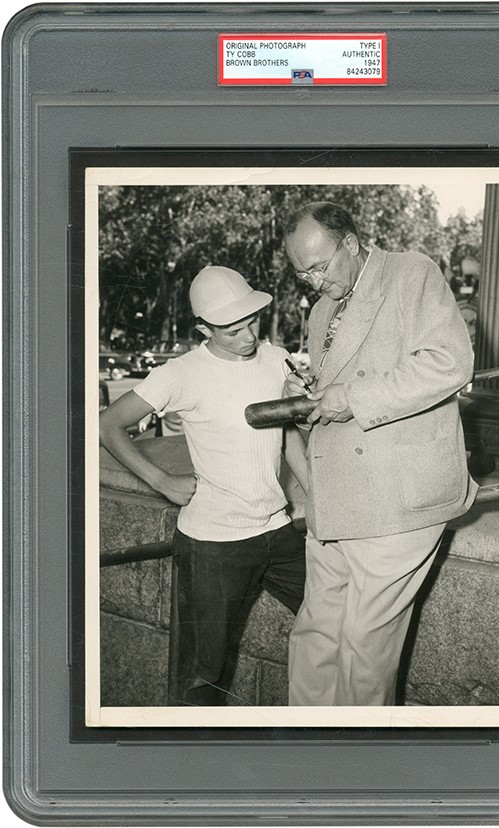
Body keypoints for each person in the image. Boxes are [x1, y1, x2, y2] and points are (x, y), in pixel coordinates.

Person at [282, 202, 478, 706]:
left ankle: (356, 767)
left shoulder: (412, 273)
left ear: (350, 241)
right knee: (315, 637)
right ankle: (305, 759)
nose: (310, 282)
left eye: (318, 267)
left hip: (395, 498)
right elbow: (338, 395)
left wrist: (352, 397)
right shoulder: (323, 308)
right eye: (300, 272)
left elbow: (449, 363)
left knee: (365, 652)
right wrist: (309, 398)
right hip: (336, 498)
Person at [99, 265, 308, 706]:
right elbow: (109, 425)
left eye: (252, 321)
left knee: (334, 622)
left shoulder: (276, 359)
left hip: (278, 530)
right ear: (203, 328)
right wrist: (161, 480)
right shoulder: (182, 373)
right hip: (213, 544)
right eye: (232, 330)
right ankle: (186, 761)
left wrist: (317, 495)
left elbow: (286, 433)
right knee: (202, 674)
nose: (248, 336)